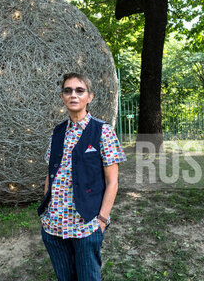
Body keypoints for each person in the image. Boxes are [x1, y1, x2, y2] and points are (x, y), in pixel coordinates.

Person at [37, 72, 126, 281]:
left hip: (85, 225)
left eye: (79, 90)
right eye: (68, 91)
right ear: (62, 97)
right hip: (54, 225)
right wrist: (46, 210)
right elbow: (51, 175)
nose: (73, 95)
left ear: (90, 96)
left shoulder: (103, 131)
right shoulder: (57, 133)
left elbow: (112, 181)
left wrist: (102, 221)